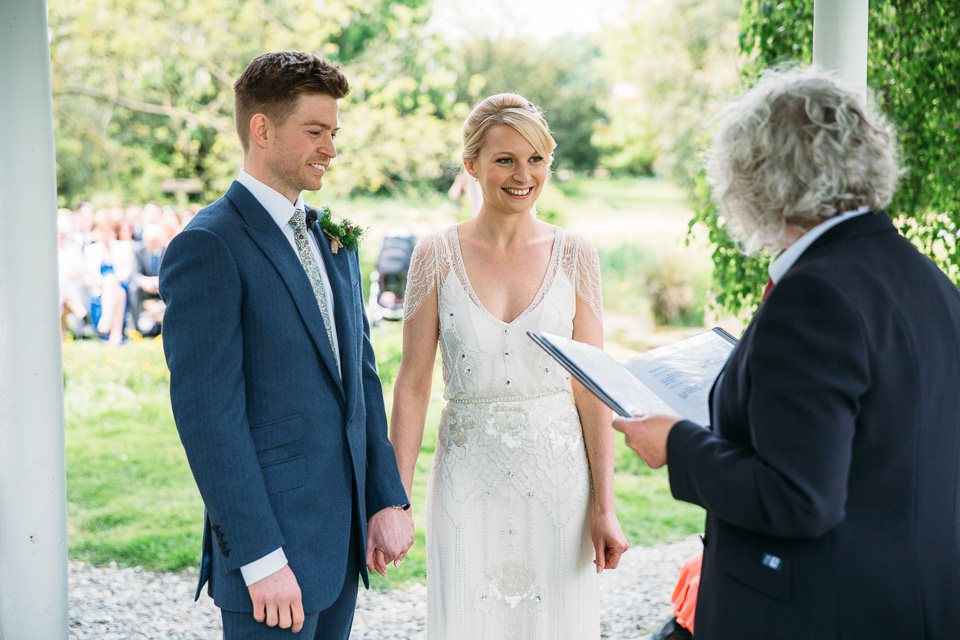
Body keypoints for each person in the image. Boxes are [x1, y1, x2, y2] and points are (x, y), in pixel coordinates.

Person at [614, 66, 960, 639]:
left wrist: (676, 443)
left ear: (757, 175)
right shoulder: (927, 278)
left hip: (822, 611)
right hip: (912, 600)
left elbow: (798, 498)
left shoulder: (814, 295)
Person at [159, 51, 413, 639]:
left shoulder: (333, 237)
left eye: (334, 133)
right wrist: (261, 558)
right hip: (270, 560)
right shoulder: (208, 245)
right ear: (262, 129)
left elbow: (363, 379)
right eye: (315, 132)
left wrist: (384, 499)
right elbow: (207, 419)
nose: (331, 148)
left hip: (342, 543)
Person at [391, 93, 629, 640]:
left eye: (536, 159)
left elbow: (592, 391)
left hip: (560, 486)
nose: (524, 176)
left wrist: (605, 506)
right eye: (505, 160)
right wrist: (396, 502)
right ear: (471, 165)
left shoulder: (576, 255)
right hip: (466, 482)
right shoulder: (433, 254)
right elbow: (412, 385)